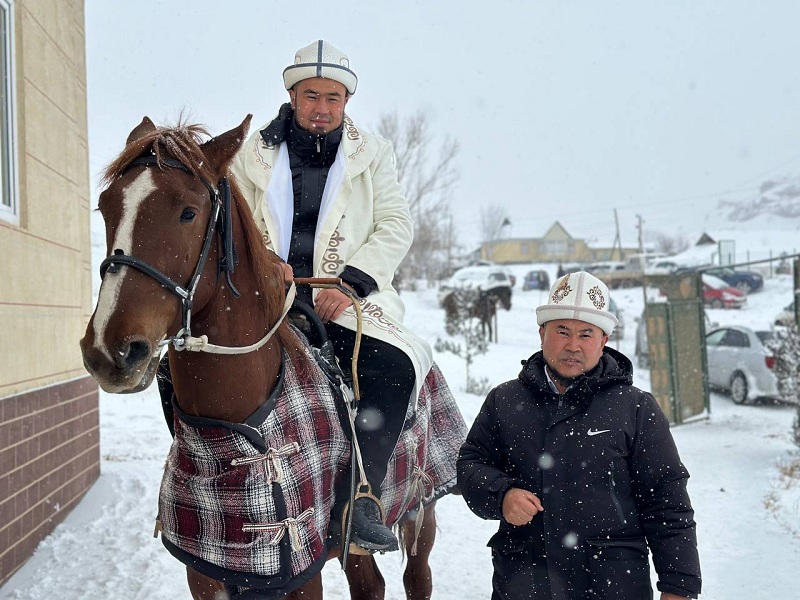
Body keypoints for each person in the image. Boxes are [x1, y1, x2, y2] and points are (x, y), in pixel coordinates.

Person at [230, 40, 432, 553]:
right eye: (312, 96)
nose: (322, 109)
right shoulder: (250, 156)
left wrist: (351, 283)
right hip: (266, 295)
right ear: (292, 95)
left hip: (347, 297)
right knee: (183, 365)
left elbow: (394, 223)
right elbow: (235, 227)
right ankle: (212, 478)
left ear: (346, 102)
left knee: (392, 365)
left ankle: (362, 497)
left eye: (334, 98)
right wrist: (267, 270)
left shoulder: (373, 153)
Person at [457, 271, 701, 599]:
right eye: (562, 331)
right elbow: (470, 465)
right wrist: (501, 496)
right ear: (542, 333)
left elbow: (667, 500)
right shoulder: (505, 400)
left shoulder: (635, 407)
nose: (573, 346)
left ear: (604, 341)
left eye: (586, 334)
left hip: (613, 584)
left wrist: (679, 586)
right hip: (524, 582)